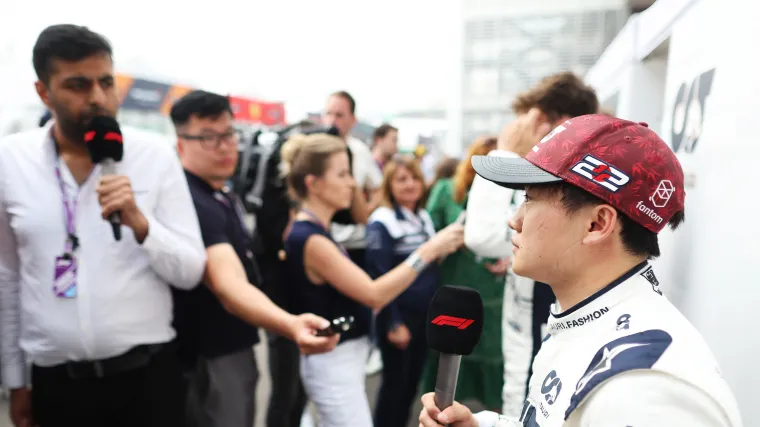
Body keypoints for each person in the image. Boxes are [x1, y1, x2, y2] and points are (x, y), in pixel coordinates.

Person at [419, 112, 743, 427]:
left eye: (529, 199)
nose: (514, 220)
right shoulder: (588, 320)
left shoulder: (643, 390)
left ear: (596, 224)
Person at [0, 24, 207, 427]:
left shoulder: (155, 155)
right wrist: (15, 379)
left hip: (147, 381)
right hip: (57, 384)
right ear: (44, 92)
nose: (97, 98)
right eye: (77, 85)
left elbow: (190, 271)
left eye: (106, 82)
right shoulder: (10, 161)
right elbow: (7, 278)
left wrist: (141, 224)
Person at [169, 90, 339, 427]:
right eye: (208, 138)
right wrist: (289, 324)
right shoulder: (189, 200)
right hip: (212, 349)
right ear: (180, 144)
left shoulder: (221, 191)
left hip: (232, 341)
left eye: (229, 134)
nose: (225, 146)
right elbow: (227, 283)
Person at [280, 133, 464, 427]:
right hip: (333, 362)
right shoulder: (310, 237)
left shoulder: (316, 231)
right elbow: (374, 293)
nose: (352, 183)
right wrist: (429, 250)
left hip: (344, 357)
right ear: (313, 183)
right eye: (341, 174)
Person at [463, 71, 600, 417]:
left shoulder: (574, 187)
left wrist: (507, 152)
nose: (517, 220)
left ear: (548, 122)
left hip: (544, 358)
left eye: (527, 121)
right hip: (531, 351)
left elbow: (482, 235)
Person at [421, 136, 508, 412]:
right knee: (448, 356)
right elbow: (429, 235)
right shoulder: (449, 191)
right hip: (455, 286)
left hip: (494, 293)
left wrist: (510, 256)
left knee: (492, 358)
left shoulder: (509, 194)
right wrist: (449, 239)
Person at [365, 156, 440, 427]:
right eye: (401, 179)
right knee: (394, 387)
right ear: (389, 185)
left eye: (414, 178)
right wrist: (393, 322)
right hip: (399, 317)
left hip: (424, 316)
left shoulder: (422, 216)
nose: (410, 184)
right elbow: (378, 275)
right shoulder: (382, 222)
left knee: (411, 386)